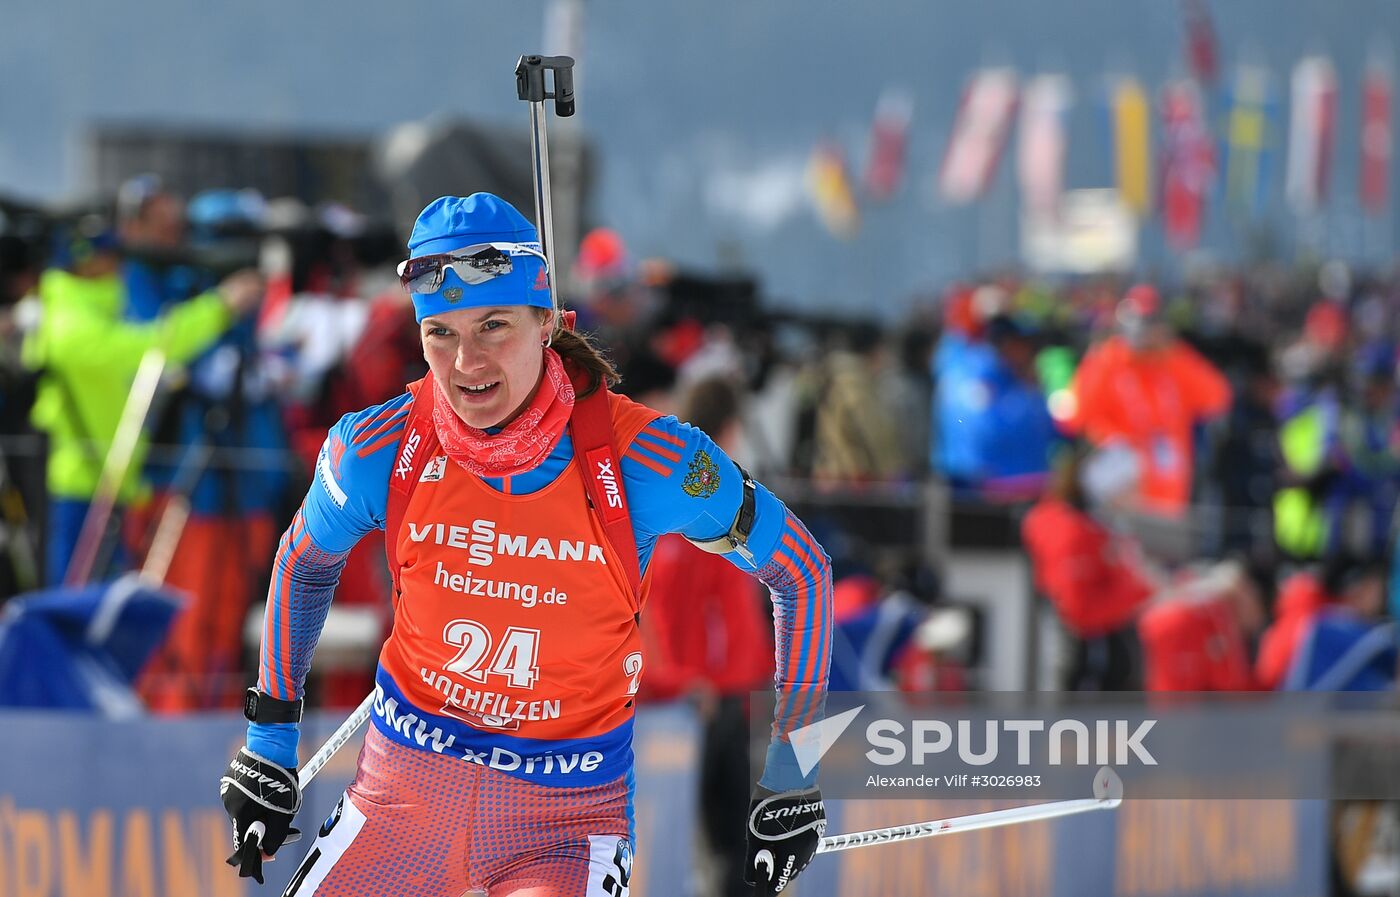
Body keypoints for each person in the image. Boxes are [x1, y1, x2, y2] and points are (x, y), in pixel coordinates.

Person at [219, 194, 833, 897]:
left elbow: (803, 571)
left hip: (564, 821)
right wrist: (268, 743)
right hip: (401, 802)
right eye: (440, 332)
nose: (466, 362)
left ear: (547, 321)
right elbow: (303, 562)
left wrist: (794, 770)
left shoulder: (646, 460)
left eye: (493, 325)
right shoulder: (376, 450)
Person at [22, 216, 262, 585]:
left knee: (98, 608)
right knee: (72, 607)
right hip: (83, 486)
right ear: (85, 262)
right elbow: (153, 347)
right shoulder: (69, 324)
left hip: (109, 482)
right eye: (110, 255)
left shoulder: (85, 310)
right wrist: (221, 306)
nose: (119, 265)